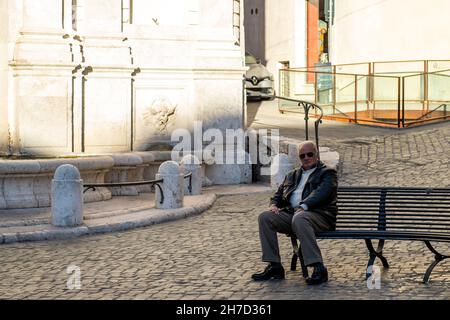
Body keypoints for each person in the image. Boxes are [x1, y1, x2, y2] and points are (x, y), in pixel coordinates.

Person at [251, 141, 338, 285]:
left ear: (316, 155)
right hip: (294, 215)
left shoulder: (327, 173)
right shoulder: (292, 175)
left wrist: (304, 205)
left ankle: (318, 268)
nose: (306, 158)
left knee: (300, 218)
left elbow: (322, 193)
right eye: (302, 155)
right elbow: (278, 196)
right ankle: (275, 266)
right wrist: (273, 205)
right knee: (265, 217)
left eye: (309, 154)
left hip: (319, 215)